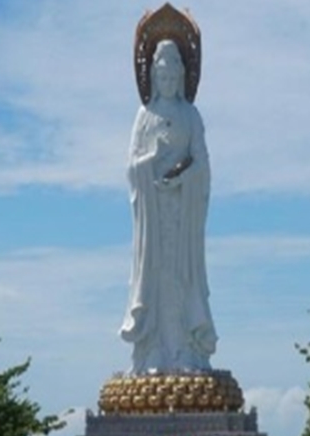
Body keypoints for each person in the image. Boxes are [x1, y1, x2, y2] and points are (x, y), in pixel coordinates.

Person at [120, 39, 217, 373]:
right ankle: (153, 353)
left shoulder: (191, 115)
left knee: (181, 277)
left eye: (175, 74)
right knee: (156, 279)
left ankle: (186, 352)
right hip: (154, 215)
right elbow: (131, 168)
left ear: (182, 75)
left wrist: (183, 176)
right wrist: (152, 162)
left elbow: (203, 165)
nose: (169, 80)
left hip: (183, 213)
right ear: (153, 75)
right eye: (163, 75)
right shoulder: (144, 116)